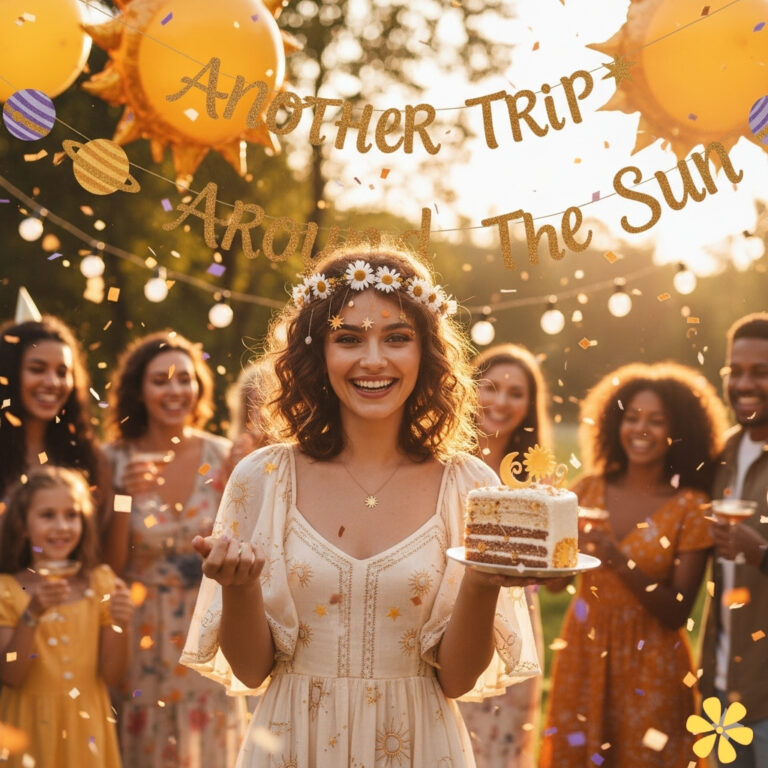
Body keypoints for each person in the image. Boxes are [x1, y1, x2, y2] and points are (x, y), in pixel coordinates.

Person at [182, 246, 541, 767]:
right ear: (317, 354)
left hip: (417, 746)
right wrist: (239, 589)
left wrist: (483, 583)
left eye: (397, 338)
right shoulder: (264, 478)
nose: (373, 360)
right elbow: (252, 670)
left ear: (426, 351)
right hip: (293, 744)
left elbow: (458, 680)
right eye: (348, 338)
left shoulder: (469, 487)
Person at [540, 362, 728, 768]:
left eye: (657, 421)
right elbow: (553, 586)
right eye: (632, 417)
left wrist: (616, 558)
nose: (641, 429)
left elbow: (677, 611)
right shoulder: (587, 489)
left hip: (653, 664)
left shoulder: (691, 507)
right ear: (615, 424)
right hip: (584, 652)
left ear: (679, 432)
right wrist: (549, 529)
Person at [102, 331, 241, 768]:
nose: (174, 390)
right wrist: (122, 497)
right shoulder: (114, 460)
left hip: (209, 630)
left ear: (199, 387)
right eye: (160, 380)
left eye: (184, 379)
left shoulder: (223, 457)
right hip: (143, 635)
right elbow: (110, 566)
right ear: (138, 390)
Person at [0, 465, 132, 768]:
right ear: (22, 525)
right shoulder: (6, 590)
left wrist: (122, 624)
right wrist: (32, 614)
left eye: (71, 515)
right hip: (27, 728)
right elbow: (11, 676)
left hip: (87, 727)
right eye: (48, 515)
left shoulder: (100, 583)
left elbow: (113, 675)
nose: (62, 526)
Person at [459, 344, 548, 768]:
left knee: (502, 743)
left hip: (515, 620)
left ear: (529, 406)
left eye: (516, 393)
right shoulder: (441, 463)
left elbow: (551, 578)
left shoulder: (537, 482)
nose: (500, 401)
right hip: (449, 610)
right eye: (490, 387)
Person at [701, 312, 768, 767]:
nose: (744, 384)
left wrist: (758, 553)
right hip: (722, 691)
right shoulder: (722, 452)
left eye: (760, 372)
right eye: (735, 371)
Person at [0, 317, 108, 521]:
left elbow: (101, 536)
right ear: (8, 374)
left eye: (62, 372)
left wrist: (128, 493)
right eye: (37, 369)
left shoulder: (88, 457)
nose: (52, 382)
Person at [220, 359, 272, 482]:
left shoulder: (298, 451)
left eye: (269, 402)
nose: (263, 412)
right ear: (245, 412)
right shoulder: (239, 450)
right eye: (257, 402)